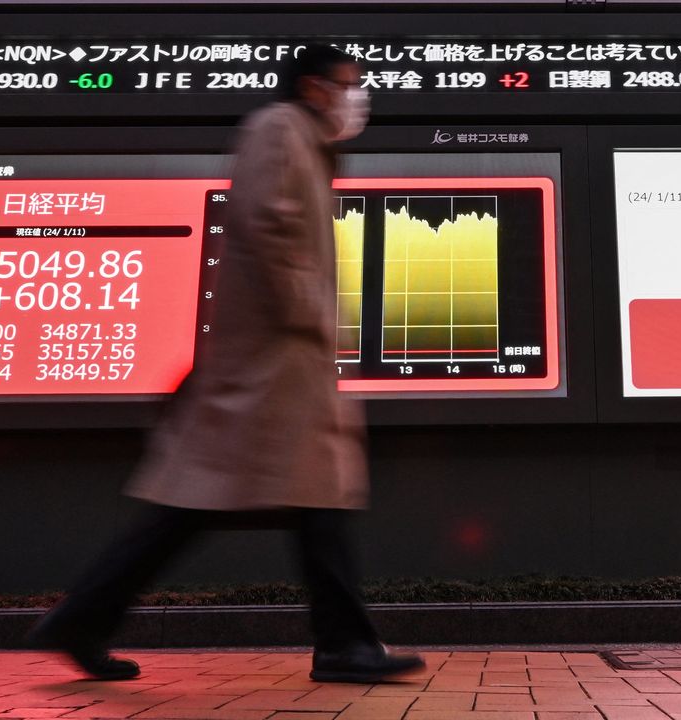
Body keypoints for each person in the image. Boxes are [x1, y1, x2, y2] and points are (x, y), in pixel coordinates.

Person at [28, 45, 423, 684]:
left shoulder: (304, 141)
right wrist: (309, 313)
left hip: (277, 363)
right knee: (286, 500)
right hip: (271, 363)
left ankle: (84, 618)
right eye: (350, 85)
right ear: (315, 87)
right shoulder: (277, 129)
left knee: (221, 503)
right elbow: (266, 224)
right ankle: (344, 645)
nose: (358, 99)